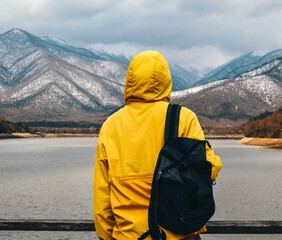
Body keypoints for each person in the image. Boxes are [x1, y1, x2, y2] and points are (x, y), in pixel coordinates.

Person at [93, 50, 222, 240]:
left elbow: (102, 192)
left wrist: (106, 235)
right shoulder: (183, 118)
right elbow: (208, 168)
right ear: (166, 80)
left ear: (130, 81)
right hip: (178, 231)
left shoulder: (111, 125)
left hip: (129, 235)